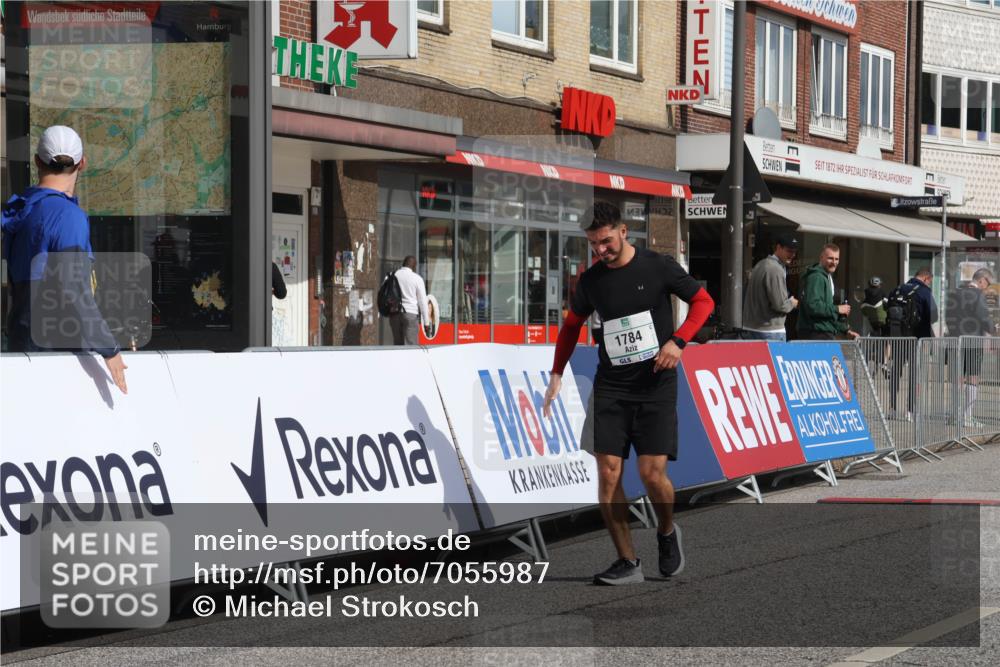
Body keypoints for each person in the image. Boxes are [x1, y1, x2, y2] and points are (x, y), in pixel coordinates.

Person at [541, 201, 714, 585]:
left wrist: (678, 341)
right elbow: (571, 326)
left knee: (652, 475)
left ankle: (666, 530)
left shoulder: (658, 266)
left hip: (655, 384)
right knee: (607, 473)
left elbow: (704, 302)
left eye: (605, 241)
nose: (600, 250)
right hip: (611, 387)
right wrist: (556, 372)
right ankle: (627, 561)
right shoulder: (591, 281)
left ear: (623, 231)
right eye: (593, 244)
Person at [2, 125, 127, 394]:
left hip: (23, 347)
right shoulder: (68, 216)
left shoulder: (22, 211)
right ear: (82, 164)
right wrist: (110, 349)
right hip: (58, 357)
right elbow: (75, 289)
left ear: (37, 161)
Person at [886, 267, 938, 420]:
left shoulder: (897, 290)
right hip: (916, 339)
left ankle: (892, 409)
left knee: (896, 371)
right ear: (926, 279)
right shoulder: (924, 291)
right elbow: (934, 315)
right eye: (930, 282)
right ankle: (910, 411)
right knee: (914, 374)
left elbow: (887, 309)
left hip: (897, 338)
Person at [946, 268, 995, 427]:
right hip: (973, 342)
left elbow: (948, 316)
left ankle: (954, 415)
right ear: (981, 280)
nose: (987, 287)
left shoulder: (954, 293)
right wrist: (993, 329)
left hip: (955, 341)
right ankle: (967, 416)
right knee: (973, 377)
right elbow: (983, 317)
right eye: (988, 283)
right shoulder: (978, 295)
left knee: (958, 377)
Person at [742, 232, 799, 341]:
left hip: (752, 328)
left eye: (794, 252)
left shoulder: (760, 264)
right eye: (789, 251)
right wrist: (792, 302)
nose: (792, 255)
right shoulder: (775, 269)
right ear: (778, 247)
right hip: (769, 331)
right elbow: (780, 305)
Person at [796, 243, 858, 341]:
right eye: (830, 258)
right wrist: (837, 309)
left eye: (836, 259)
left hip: (821, 332)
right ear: (821, 257)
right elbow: (813, 306)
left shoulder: (826, 276)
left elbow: (827, 315)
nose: (834, 262)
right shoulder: (816, 277)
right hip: (815, 333)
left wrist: (846, 330)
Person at [390, 255, 429, 345]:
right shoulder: (417, 279)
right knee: (411, 345)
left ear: (403, 264)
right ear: (414, 266)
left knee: (397, 344)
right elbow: (422, 302)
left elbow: (384, 293)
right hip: (410, 314)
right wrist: (426, 322)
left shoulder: (392, 275)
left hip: (394, 313)